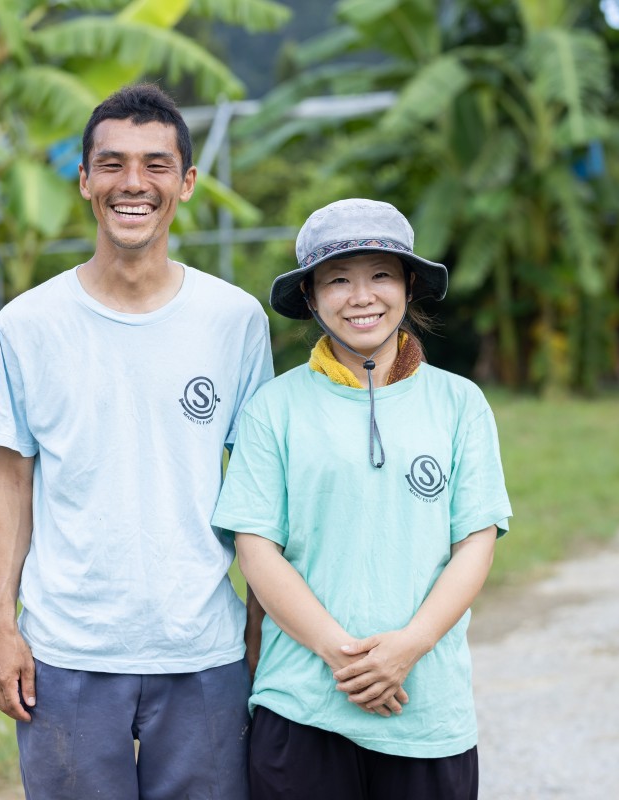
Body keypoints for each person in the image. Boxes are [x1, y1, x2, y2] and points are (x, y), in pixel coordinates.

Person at [0, 84, 273, 800]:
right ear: (83, 180)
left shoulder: (234, 320)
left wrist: (262, 636)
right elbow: (10, 484)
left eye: (155, 165)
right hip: (67, 656)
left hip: (203, 651)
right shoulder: (28, 324)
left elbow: (262, 491)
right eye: (111, 164)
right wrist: (2, 628)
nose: (133, 183)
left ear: (187, 183)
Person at [211, 198, 512, 800]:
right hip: (302, 704)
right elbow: (256, 546)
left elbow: (476, 542)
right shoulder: (275, 408)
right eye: (337, 280)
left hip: (424, 710)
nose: (361, 296)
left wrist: (409, 646)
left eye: (380, 274)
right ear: (312, 298)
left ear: (407, 285)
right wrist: (341, 655)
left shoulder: (460, 404)